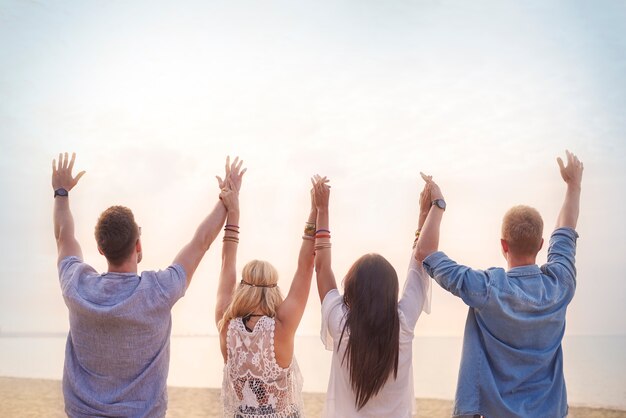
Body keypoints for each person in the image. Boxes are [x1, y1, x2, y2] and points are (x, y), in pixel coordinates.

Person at [52, 152, 230, 417]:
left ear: (101, 249)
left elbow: (63, 236)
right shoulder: (158, 290)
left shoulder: (77, 286)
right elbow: (201, 242)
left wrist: (61, 192)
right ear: (138, 245)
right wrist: (225, 199)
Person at [416, 150, 584, 418]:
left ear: (503, 245)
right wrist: (573, 186)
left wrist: (438, 204)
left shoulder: (486, 288)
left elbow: (425, 253)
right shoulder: (560, 284)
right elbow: (566, 230)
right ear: (541, 245)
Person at [313, 175, 432, 417]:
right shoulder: (403, 322)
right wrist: (424, 216)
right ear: (391, 289)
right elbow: (419, 266)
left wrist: (322, 209)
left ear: (353, 288)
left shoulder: (340, 323)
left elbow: (322, 268)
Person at [216, 165, 317, 418]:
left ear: (241, 289)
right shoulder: (282, 328)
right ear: (274, 290)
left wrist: (233, 210)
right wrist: (316, 211)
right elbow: (305, 267)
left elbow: (226, 262)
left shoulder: (226, 326)